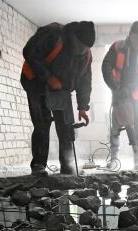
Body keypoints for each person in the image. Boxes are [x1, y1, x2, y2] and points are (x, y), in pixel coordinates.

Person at [21, 21, 95, 175]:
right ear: (74, 37)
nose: (82, 51)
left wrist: (83, 106)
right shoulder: (53, 35)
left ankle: (67, 164)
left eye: (86, 48)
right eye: (80, 46)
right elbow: (29, 52)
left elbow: (84, 81)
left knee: (66, 126)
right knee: (42, 123)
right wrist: (48, 78)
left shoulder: (86, 55)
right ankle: (38, 165)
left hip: (61, 89)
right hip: (37, 83)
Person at [102, 21, 138, 172]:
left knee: (135, 126)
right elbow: (106, 66)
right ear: (130, 34)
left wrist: (129, 90)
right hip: (117, 92)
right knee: (115, 127)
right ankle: (114, 159)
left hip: (135, 95)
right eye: (137, 38)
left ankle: (137, 160)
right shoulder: (117, 47)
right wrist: (114, 87)